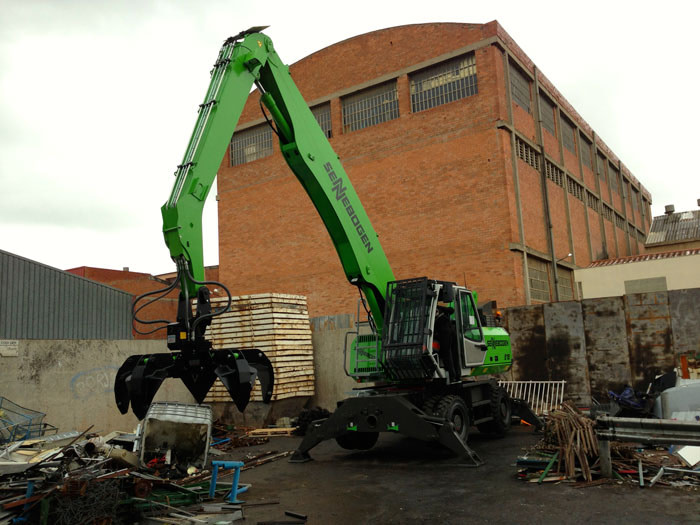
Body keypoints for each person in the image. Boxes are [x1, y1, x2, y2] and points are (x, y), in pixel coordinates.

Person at [433, 304, 460, 383]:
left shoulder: (441, 315)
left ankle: (452, 376)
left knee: (447, 355)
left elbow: (451, 310)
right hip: (449, 333)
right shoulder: (443, 316)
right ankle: (456, 375)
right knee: (453, 355)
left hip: (446, 334)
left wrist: (440, 308)